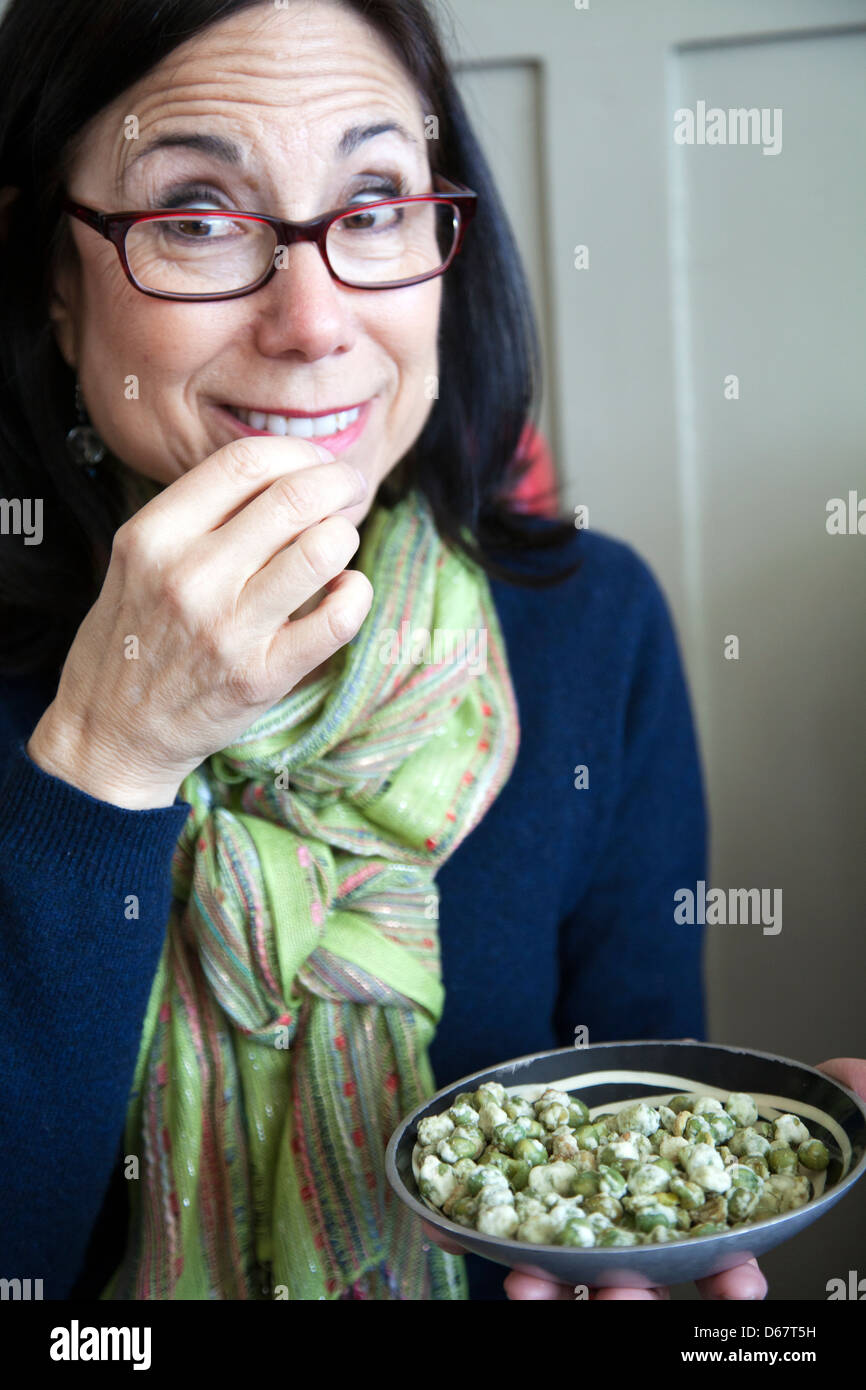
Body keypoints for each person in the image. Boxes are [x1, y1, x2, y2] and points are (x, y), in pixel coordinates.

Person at [0, 0, 858, 1301]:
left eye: (374, 204)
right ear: (51, 282)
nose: (314, 321)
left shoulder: (590, 625)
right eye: (195, 216)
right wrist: (106, 763)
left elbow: (611, 1129)